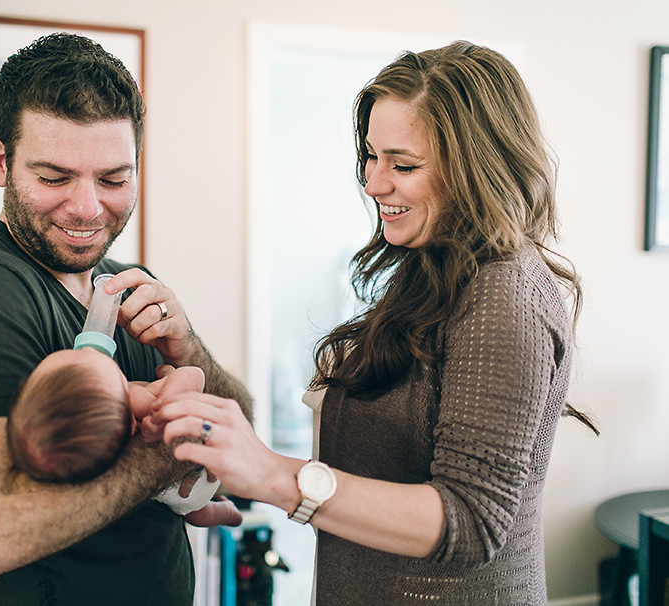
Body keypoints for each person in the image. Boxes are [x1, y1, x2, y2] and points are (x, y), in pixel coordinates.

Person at [153, 41, 598, 605]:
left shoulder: (504, 297)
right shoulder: (436, 268)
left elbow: (472, 520)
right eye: (371, 156)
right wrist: (224, 454)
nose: (372, 183)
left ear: (477, 168)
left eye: (403, 164)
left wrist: (272, 476)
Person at [0, 33, 252, 605]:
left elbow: (243, 430)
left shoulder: (128, 284)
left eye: (113, 179)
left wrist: (189, 350)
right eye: (55, 177)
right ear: (1, 161)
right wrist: (169, 450)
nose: (87, 208)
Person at [6, 347, 243, 527]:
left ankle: (226, 514)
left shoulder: (98, 438)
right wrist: (167, 397)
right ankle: (231, 513)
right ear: (132, 424)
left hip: (180, 501)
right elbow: (194, 375)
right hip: (195, 483)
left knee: (195, 515)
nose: (86, 350)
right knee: (196, 505)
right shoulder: (137, 400)